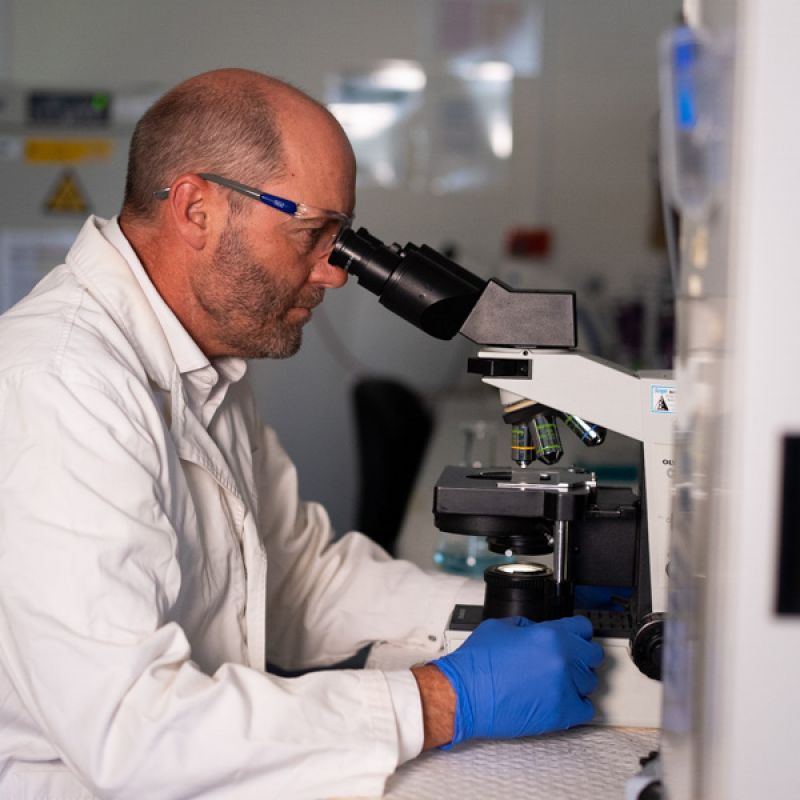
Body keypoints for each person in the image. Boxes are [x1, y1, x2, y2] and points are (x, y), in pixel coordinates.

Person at [0, 68, 603, 799]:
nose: (334, 272)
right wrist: (441, 700)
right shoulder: (59, 385)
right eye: (314, 234)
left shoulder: (202, 363)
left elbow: (298, 584)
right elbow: (131, 731)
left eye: (341, 240)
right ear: (196, 209)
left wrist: (496, 611)